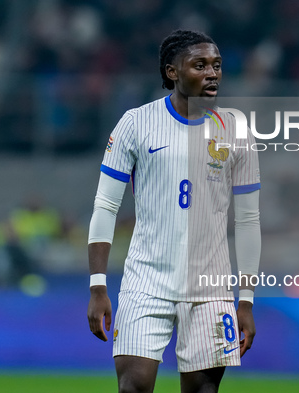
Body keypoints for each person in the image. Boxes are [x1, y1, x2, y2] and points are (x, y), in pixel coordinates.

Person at [86, 30, 261, 393]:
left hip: (211, 288)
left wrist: (246, 299)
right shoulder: (136, 123)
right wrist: (98, 286)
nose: (212, 73)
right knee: (133, 386)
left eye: (217, 65)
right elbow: (105, 205)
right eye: (200, 65)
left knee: (203, 391)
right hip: (145, 282)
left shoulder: (237, 130)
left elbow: (247, 220)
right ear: (172, 72)